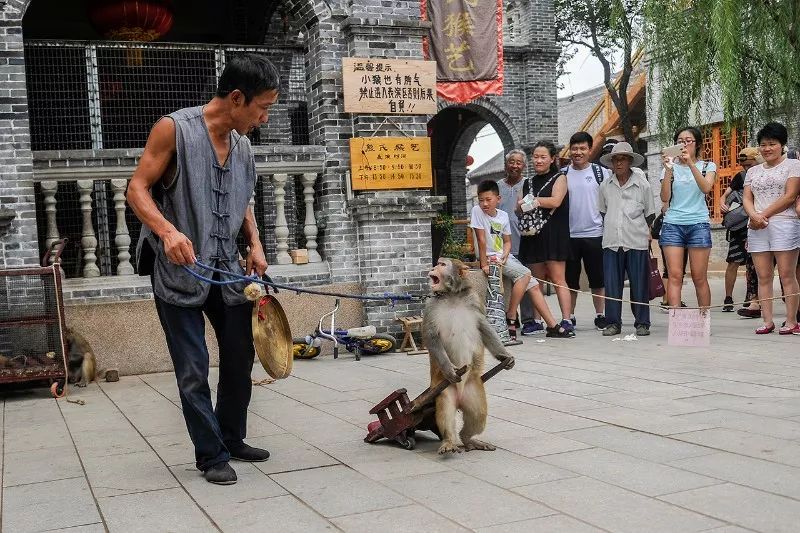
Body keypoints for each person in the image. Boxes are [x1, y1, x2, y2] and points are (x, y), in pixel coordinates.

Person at [127, 54, 279, 485]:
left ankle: (231, 438)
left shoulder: (244, 145)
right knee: (194, 367)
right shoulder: (173, 129)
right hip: (180, 272)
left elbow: (242, 199)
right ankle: (210, 454)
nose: (264, 118)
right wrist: (167, 232)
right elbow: (136, 188)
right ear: (236, 97)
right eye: (262, 107)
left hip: (227, 270)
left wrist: (255, 242)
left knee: (240, 355)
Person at [471, 180, 572, 339]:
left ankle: (552, 325)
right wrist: (484, 264)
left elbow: (507, 242)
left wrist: (505, 254)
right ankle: (511, 315)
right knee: (525, 274)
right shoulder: (476, 211)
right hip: (490, 258)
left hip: (504, 257)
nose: (484, 203)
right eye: (481, 199)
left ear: (498, 199)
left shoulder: (503, 216)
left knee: (533, 285)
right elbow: (481, 240)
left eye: (488, 199)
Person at [742, 122, 800, 334]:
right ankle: (767, 320)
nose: (767, 148)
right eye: (763, 144)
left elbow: (790, 196)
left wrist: (762, 215)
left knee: (787, 274)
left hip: (784, 223)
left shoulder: (793, 166)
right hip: (756, 227)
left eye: (772, 144)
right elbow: (747, 198)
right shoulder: (753, 171)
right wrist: (754, 216)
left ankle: (792, 321)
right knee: (763, 275)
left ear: (782, 145)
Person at [597, 142, 655, 336]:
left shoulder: (642, 184)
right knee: (612, 284)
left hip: (636, 240)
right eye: (615, 159)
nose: (619, 163)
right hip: (612, 241)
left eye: (622, 159)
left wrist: (643, 232)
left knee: (639, 284)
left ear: (630, 161)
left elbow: (650, 213)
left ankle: (642, 322)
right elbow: (603, 211)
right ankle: (613, 322)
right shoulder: (605, 185)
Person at [517, 140, 575, 333]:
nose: (539, 160)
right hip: (533, 235)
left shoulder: (560, 178)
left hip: (554, 233)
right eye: (535, 156)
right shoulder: (527, 182)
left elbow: (556, 201)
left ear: (552, 159)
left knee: (559, 278)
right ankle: (537, 320)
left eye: (543, 157)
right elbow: (519, 208)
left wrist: (532, 201)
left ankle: (566, 319)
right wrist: (521, 206)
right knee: (536, 280)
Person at [659, 126, 717, 310]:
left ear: (697, 144)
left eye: (688, 140)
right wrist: (668, 170)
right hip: (673, 224)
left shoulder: (708, 166)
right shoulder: (670, 168)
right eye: (680, 141)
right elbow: (664, 197)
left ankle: (703, 320)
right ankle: (676, 322)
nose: (684, 144)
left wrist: (691, 163)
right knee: (675, 275)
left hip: (698, 224)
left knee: (699, 276)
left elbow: (706, 188)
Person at [563, 131, 609, 330]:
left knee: (597, 279)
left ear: (590, 150)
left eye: (582, 148)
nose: (578, 152)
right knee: (569, 280)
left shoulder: (601, 173)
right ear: (570, 150)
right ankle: (569, 316)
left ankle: (600, 315)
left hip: (595, 233)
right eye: (574, 148)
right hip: (569, 235)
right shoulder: (563, 174)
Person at [497, 149, 542, 335]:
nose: (515, 166)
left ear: (524, 166)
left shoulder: (528, 185)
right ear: (506, 164)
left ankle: (529, 320)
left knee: (526, 280)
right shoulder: (497, 186)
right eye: (511, 162)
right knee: (506, 284)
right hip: (502, 245)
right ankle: (509, 320)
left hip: (526, 241)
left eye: (519, 163)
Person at [720, 147, 762, 312]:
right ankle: (728, 298)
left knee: (754, 264)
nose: (746, 168)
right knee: (733, 262)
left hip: (757, 224)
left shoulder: (763, 173)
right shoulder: (741, 176)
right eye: (743, 165)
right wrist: (723, 201)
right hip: (740, 227)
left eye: (749, 164)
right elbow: (726, 193)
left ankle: (752, 297)